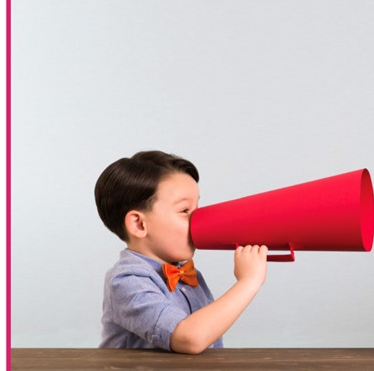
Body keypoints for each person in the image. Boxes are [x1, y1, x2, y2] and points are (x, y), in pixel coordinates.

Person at [95, 150, 268, 354]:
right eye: (185, 211)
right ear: (139, 224)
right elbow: (189, 339)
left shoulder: (185, 273)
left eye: (198, 209)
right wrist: (248, 282)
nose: (198, 219)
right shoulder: (126, 280)